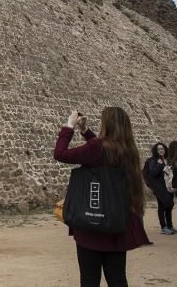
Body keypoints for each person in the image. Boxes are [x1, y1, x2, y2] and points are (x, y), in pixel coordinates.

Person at [54, 107, 150, 287]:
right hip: (116, 222)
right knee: (117, 279)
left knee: (89, 280)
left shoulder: (97, 148)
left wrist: (69, 126)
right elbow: (101, 154)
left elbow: (60, 154)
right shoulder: (127, 150)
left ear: (106, 124)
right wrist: (85, 131)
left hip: (91, 223)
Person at [144, 142, 177, 234]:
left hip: (168, 186)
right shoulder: (153, 161)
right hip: (159, 187)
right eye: (159, 149)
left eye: (162, 149)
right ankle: (163, 227)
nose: (161, 150)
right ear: (156, 150)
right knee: (162, 206)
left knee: (169, 205)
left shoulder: (168, 160)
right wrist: (159, 165)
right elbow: (153, 173)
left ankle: (170, 225)